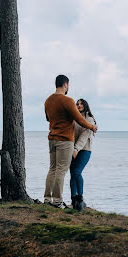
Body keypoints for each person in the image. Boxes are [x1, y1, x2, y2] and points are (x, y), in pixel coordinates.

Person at [44, 75, 97, 208]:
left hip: (52, 138)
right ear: (66, 85)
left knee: (52, 169)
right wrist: (92, 126)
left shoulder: (48, 101)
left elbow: (48, 118)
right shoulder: (67, 100)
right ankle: (57, 201)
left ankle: (47, 199)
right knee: (61, 171)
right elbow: (79, 119)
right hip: (65, 140)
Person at [70, 99, 96, 211]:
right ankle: (73, 200)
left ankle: (80, 199)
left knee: (77, 172)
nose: (79, 105)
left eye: (81, 104)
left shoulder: (89, 120)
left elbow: (84, 137)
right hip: (72, 149)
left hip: (84, 150)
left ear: (85, 105)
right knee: (72, 174)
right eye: (77, 104)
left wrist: (76, 149)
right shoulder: (74, 118)